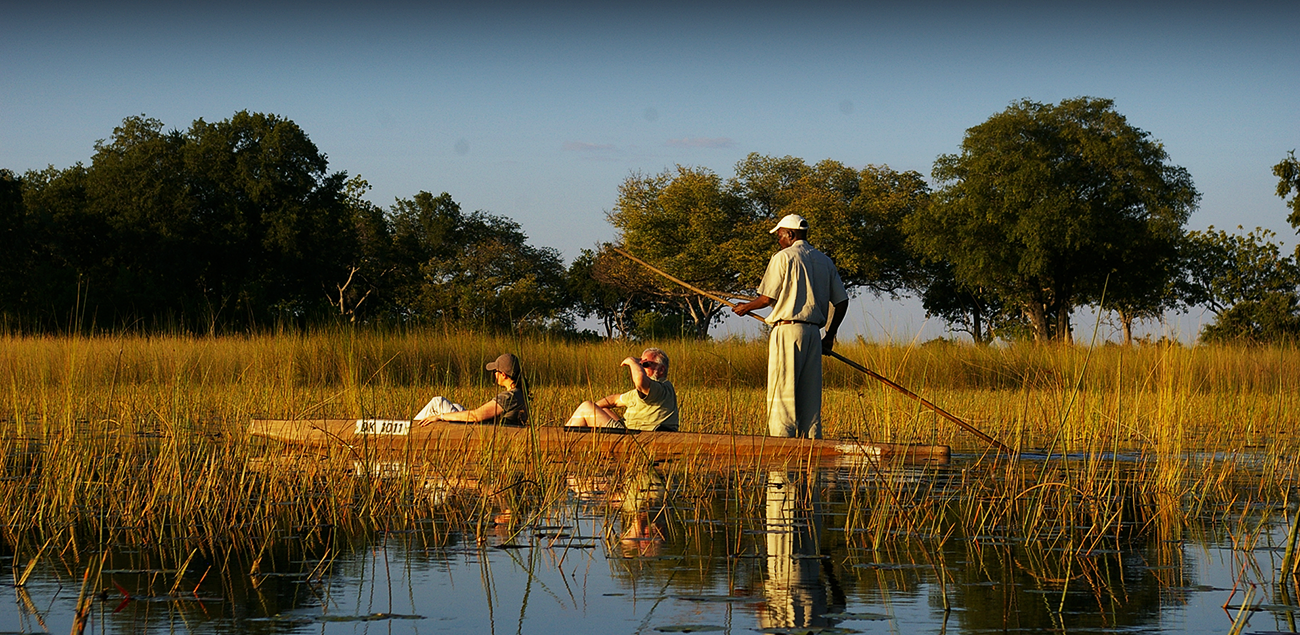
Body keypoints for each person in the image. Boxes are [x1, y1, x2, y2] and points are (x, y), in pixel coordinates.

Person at [733, 214, 848, 439]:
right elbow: (842, 301)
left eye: (779, 235)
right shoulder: (825, 261)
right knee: (810, 395)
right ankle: (811, 443)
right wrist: (829, 336)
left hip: (786, 331)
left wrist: (745, 308)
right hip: (814, 334)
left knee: (782, 392)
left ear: (790, 234)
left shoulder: (783, 257)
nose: (778, 240)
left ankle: (782, 444)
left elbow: (766, 299)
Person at [564, 348, 678, 432]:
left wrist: (632, 361)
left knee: (585, 407)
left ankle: (564, 442)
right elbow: (614, 400)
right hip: (629, 432)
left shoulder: (662, 389)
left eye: (646, 364)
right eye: (641, 364)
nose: (641, 368)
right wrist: (595, 408)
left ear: (661, 369)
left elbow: (639, 379)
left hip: (638, 436)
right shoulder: (640, 392)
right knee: (599, 408)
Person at [415, 353, 528, 426]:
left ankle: (409, 429)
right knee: (457, 406)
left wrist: (440, 416)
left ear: (503, 375)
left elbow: (476, 416)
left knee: (437, 402)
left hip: (480, 430)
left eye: (495, 372)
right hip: (487, 426)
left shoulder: (509, 397)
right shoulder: (519, 393)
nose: (494, 375)